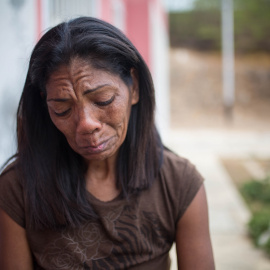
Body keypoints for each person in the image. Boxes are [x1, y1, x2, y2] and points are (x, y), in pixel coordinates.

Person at [0, 17, 214, 270]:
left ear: (133, 88)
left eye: (103, 100)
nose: (86, 124)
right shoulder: (17, 189)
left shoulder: (179, 184)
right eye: (62, 110)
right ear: (45, 105)